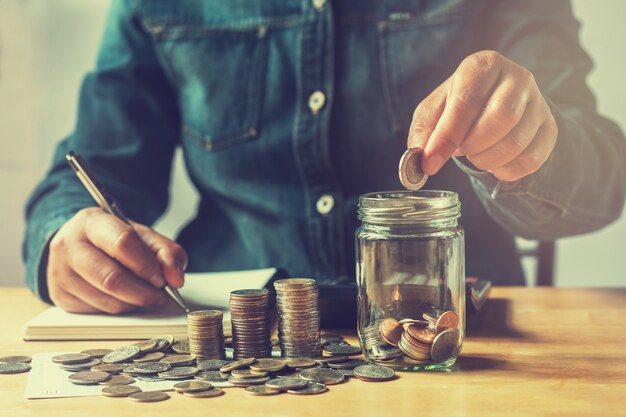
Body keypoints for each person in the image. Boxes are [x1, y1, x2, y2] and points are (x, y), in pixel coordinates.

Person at [23, 0, 626, 314]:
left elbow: (602, 181)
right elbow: (94, 167)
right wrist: (64, 240)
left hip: (452, 340)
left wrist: (536, 147)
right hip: (234, 345)